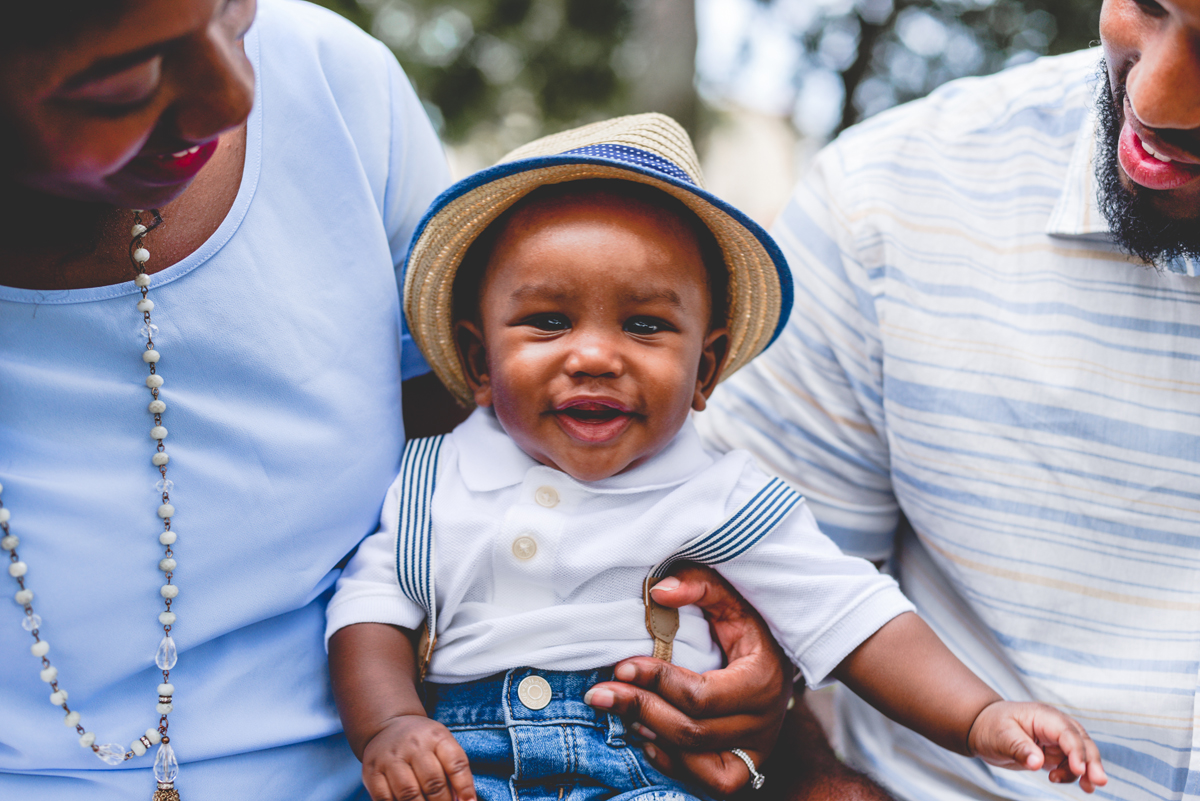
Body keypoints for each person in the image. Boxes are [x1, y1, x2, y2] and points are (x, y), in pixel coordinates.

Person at [325, 114, 1107, 801]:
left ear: (705, 371)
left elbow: (855, 617)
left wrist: (978, 715)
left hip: (640, 771)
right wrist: (389, 723)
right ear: (480, 362)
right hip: (462, 768)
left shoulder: (722, 495)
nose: (595, 355)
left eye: (644, 327)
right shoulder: (433, 477)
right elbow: (370, 612)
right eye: (549, 319)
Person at [686, 0, 1200, 799]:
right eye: (1149, 6)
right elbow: (740, 606)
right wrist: (822, 781)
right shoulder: (887, 205)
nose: (1156, 101)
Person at [0, 0, 454, 797]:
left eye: (234, 16)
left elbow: (513, 470)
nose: (235, 93)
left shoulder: (336, 88)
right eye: (123, 80)